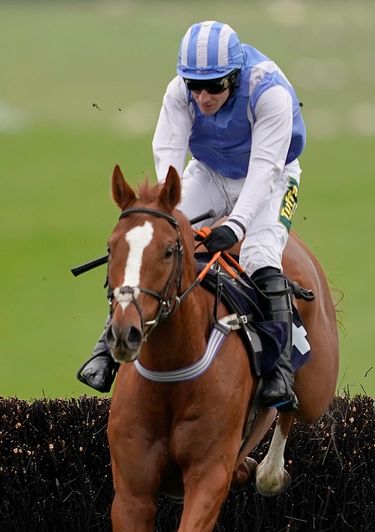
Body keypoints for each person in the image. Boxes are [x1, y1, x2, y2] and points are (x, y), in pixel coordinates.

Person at [77, 20, 306, 411]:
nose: (202, 97)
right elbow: (169, 157)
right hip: (210, 172)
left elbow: (264, 169)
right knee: (153, 242)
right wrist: (165, 214)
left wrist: (236, 225)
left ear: (234, 77)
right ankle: (107, 347)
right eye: (195, 86)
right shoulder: (178, 92)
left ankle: (280, 370)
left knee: (259, 255)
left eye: (214, 86)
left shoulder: (269, 93)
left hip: (272, 177)